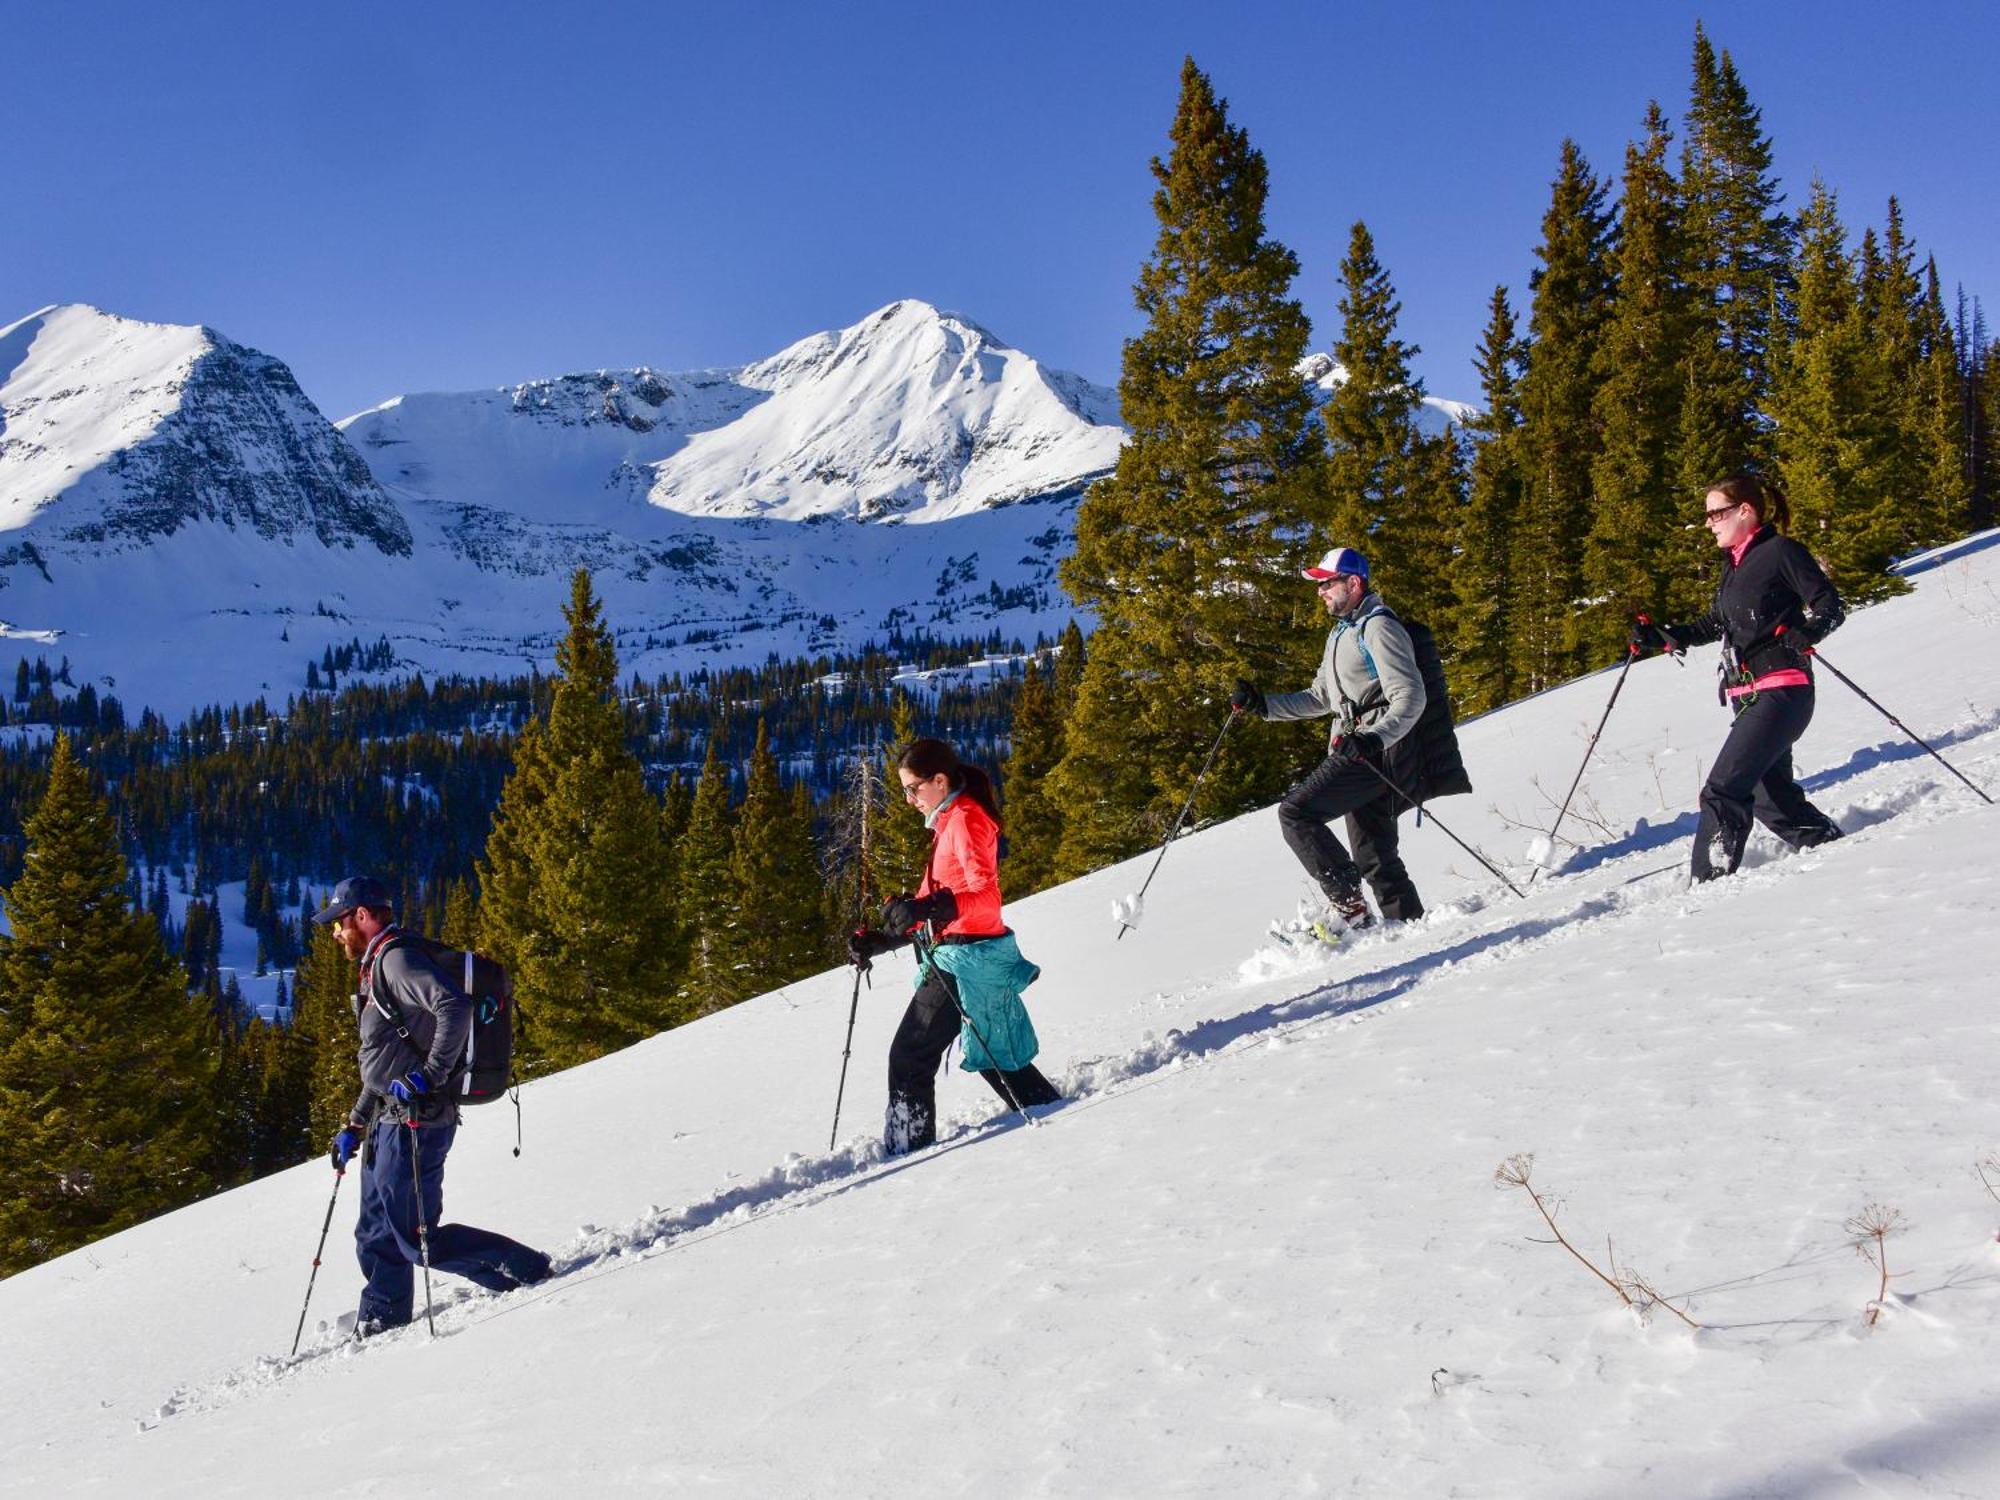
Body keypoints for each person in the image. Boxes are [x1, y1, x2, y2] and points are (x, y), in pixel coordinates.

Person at [318, 876, 551, 1336]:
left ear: (362, 915)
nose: (335, 932)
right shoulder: (376, 965)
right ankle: (383, 1317)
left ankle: (525, 1270)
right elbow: (385, 1062)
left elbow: (454, 1007)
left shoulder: (396, 960)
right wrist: (356, 1123)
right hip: (388, 1119)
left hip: (417, 1120)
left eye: (339, 922)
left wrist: (430, 1076)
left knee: (419, 1240)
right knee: (375, 1233)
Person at [846, 738, 1061, 1156]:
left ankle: (909, 1153)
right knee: (993, 1053)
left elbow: (986, 896)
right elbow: (934, 906)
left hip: (966, 958)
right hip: (965, 953)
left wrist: (929, 905)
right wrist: (882, 938)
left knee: (910, 1056)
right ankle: (1051, 1109)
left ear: (940, 781)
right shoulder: (950, 823)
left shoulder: (966, 820)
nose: (909, 800)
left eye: (913, 788)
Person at [1631, 473, 1846, 882]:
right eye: (1707, 515)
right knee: (1771, 798)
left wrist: (1810, 631)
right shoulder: (1734, 565)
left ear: (1745, 511)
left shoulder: (1781, 551)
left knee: (1723, 789)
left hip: (1783, 689)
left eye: (1716, 513)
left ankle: (1708, 884)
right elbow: (1716, 623)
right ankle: (1831, 844)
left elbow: (1829, 604)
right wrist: (1665, 635)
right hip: (1749, 693)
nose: (1709, 522)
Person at [1231, 545, 1445, 932]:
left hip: (1375, 752)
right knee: (1375, 856)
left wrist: (1373, 740)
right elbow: (1321, 697)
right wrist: (1264, 706)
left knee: (1296, 812)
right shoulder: (1342, 633)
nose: (1320, 592)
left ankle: (1349, 907)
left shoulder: (1379, 627)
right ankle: (1411, 931)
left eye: (1326, 583)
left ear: (1354, 582)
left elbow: (1411, 697)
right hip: (1361, 748)